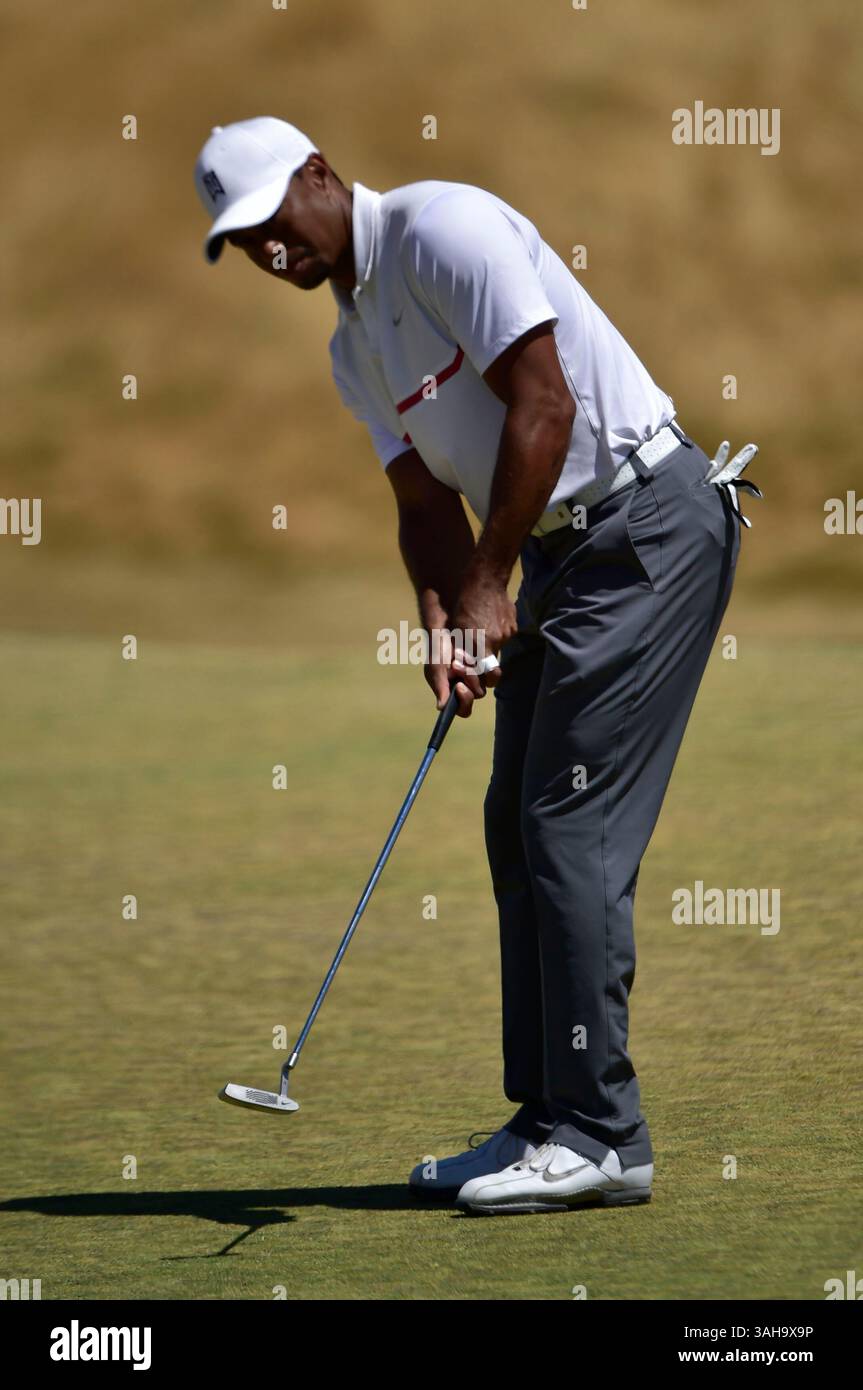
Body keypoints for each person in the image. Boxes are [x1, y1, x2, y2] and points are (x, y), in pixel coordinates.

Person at [195, 117, 761, 1215]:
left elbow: (543, 404)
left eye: (272, 220)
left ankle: (603, 1131)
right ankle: (545, 1115)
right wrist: (445, 617)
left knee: (569, 821)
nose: (271, 252)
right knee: (515, 818)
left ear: (319, 175)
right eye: (244, 243)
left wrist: (489, 582)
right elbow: (421, 506)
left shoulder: (440, 227)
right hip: (557, 554)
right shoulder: (351, 345)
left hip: (642, 526)